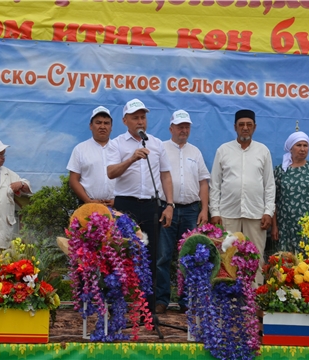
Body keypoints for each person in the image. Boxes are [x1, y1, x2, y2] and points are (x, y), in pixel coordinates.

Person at [107, 98, 174, 313]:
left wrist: (169, 204)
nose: (140, 121)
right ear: (125, 120)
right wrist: (131, 159)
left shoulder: (156, 143)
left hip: (151, 207)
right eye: (135, 117)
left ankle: (148, 309)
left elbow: (165, 175)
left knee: (150, 256)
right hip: (125, 206)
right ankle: (118, 308)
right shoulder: (117, 143)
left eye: (143, 117)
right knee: (121, 255)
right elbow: (111, 173)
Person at [209, 109, 275, 285]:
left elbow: (269, 185)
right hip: (228, 214)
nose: (245, 128)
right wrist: (215, 211)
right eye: (241, 125)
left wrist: (268, 211)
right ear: (235, 127)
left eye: (249, 125)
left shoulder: (263, 151)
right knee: (227, 257)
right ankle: (228, 301)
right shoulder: (223, 150)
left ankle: (255, 300)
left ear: (254, 127)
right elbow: (215, 184)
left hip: (256, 214)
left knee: (256, 258)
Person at [155, 110, 210, 314]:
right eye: (179, 126)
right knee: (163, 256)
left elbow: (203, 182)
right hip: (166, 209)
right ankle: (161, 300)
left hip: (191, 211)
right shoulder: (160, 148)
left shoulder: (195, 152)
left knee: (189, 257)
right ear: (171, 128)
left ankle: (187, 300)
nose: (183, 130)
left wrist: (204, 209)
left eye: (186, 126)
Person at [271, 131, 309, 253]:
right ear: (290, 148)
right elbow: (273, 200)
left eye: (305, 145)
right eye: (298, 145)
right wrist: (274, 226)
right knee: (286, 265)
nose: (302, 149)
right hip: (285, 228)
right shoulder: (280, 171)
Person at [67, 106, 115, 206]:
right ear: (91, 126)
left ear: (111, 127)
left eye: (106, 123)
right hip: (88, 205)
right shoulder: (80, 149)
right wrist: (88, 201)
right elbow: (73, 180)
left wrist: (117, 202)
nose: (102, 126)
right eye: (98, 123)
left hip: (115, 206)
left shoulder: (119, 148)